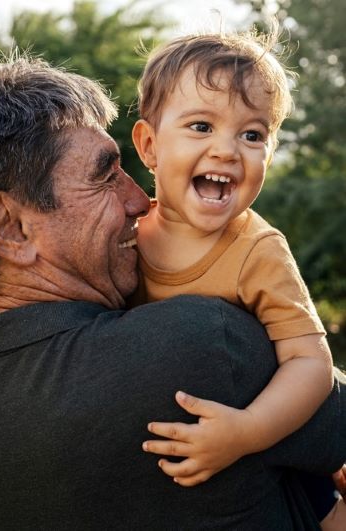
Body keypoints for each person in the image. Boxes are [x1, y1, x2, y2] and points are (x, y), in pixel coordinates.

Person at [0, 56, 346, 530]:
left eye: (252, 135)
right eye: (105, 176)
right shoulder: (201, 343)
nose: (138, 201)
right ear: (10, 227)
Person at [130, 29, 345, 527]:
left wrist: (249, 431)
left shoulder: (258, 249)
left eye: (252, 135)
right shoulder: (126, 236)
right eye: (202, 126)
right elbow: (61, 303)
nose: (228, 150)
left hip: (271, 447)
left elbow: (310, 362)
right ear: (148, 145)